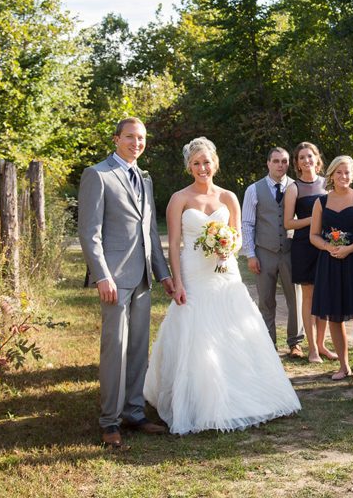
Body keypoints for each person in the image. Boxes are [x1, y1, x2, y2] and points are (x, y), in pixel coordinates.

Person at [144, 137, 301, 434]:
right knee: (197, 330)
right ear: (189, 167)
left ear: (215, 163)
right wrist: (177, 282)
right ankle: (198, 399)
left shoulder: (228, 196)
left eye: (207, 162)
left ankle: (245, 394)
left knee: (234, 327)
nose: (202, 168)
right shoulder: (180, 199)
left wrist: (228, 247)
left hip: (225, 271)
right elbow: (174, 244)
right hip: (194, 272)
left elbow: (240, 235)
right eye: (196, 163)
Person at [78, 117, 174, 449]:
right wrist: (102, 275)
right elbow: (89, 234)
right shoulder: (98, 174)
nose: (137, 143)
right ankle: (109, 421)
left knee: (137, 349)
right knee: (114, 350)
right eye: (130, 137)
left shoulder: (144, 179)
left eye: (142, 138)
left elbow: (149, 233)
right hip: (114, 279)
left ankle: (134, 412)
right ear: (117, 138)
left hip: (143, 277)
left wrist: (164, 274)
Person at [309, 155, 353, 381]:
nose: (344, 176)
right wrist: (329, 247)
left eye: (347, 172)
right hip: (330, 263)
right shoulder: (321, 202)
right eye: (339, 172)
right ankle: (343, 365)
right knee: (334, 316)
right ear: (331, 175)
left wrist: (349, 249)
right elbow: (314, 235)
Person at [243, 148, 304, 356]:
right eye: (276, 161)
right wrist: (250, 254)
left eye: (284, 161)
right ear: (268, 163)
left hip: (290, 250)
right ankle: (268, 343)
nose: (280, 165)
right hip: (264, 251)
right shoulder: (254, 189)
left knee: (295, 298)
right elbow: (247, 224)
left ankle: (295, 342)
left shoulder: (296, 187)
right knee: (266, 299)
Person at [283, 142, 338, 363]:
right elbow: (288, 222)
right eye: (302, 158)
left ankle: (322, 344)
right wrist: (314, 219)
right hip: (304, 246)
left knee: (324, 294)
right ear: (297, 163)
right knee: (309, 296)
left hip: (326, 244)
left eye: (310, 156)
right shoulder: (293, 188)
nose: (307, 161)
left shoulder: (328, 184)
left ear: (317, 158)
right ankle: (312, 348)